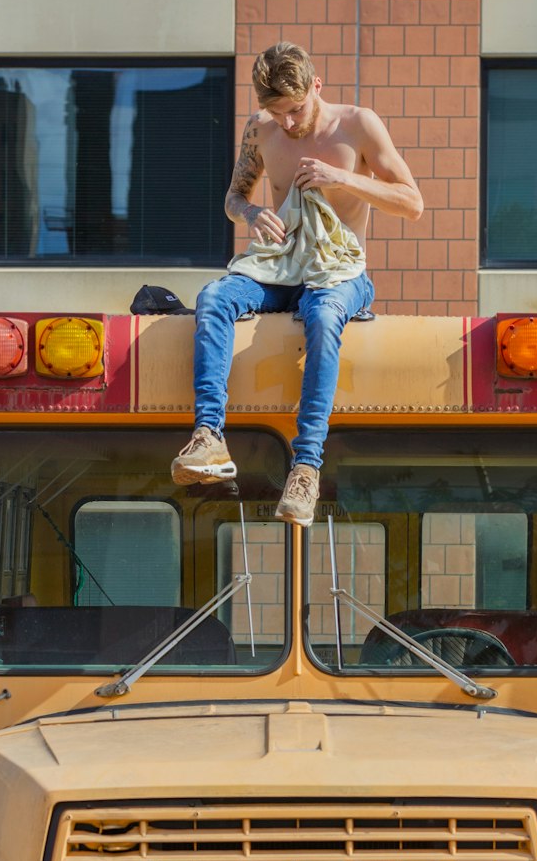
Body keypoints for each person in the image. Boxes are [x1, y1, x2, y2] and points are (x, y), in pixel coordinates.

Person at [171, 41, 423, 526]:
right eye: (276, 112)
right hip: (279, 269)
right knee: (215, 297)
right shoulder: (261, 129)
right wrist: (252, 212)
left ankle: (305, 466)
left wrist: (341, 178)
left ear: (317, 87)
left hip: (339, 272)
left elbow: (412, 203)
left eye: (295, 110)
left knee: (326, 317)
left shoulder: (357, 124)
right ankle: (208, 436)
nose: (286, 122)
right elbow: (233, 196)